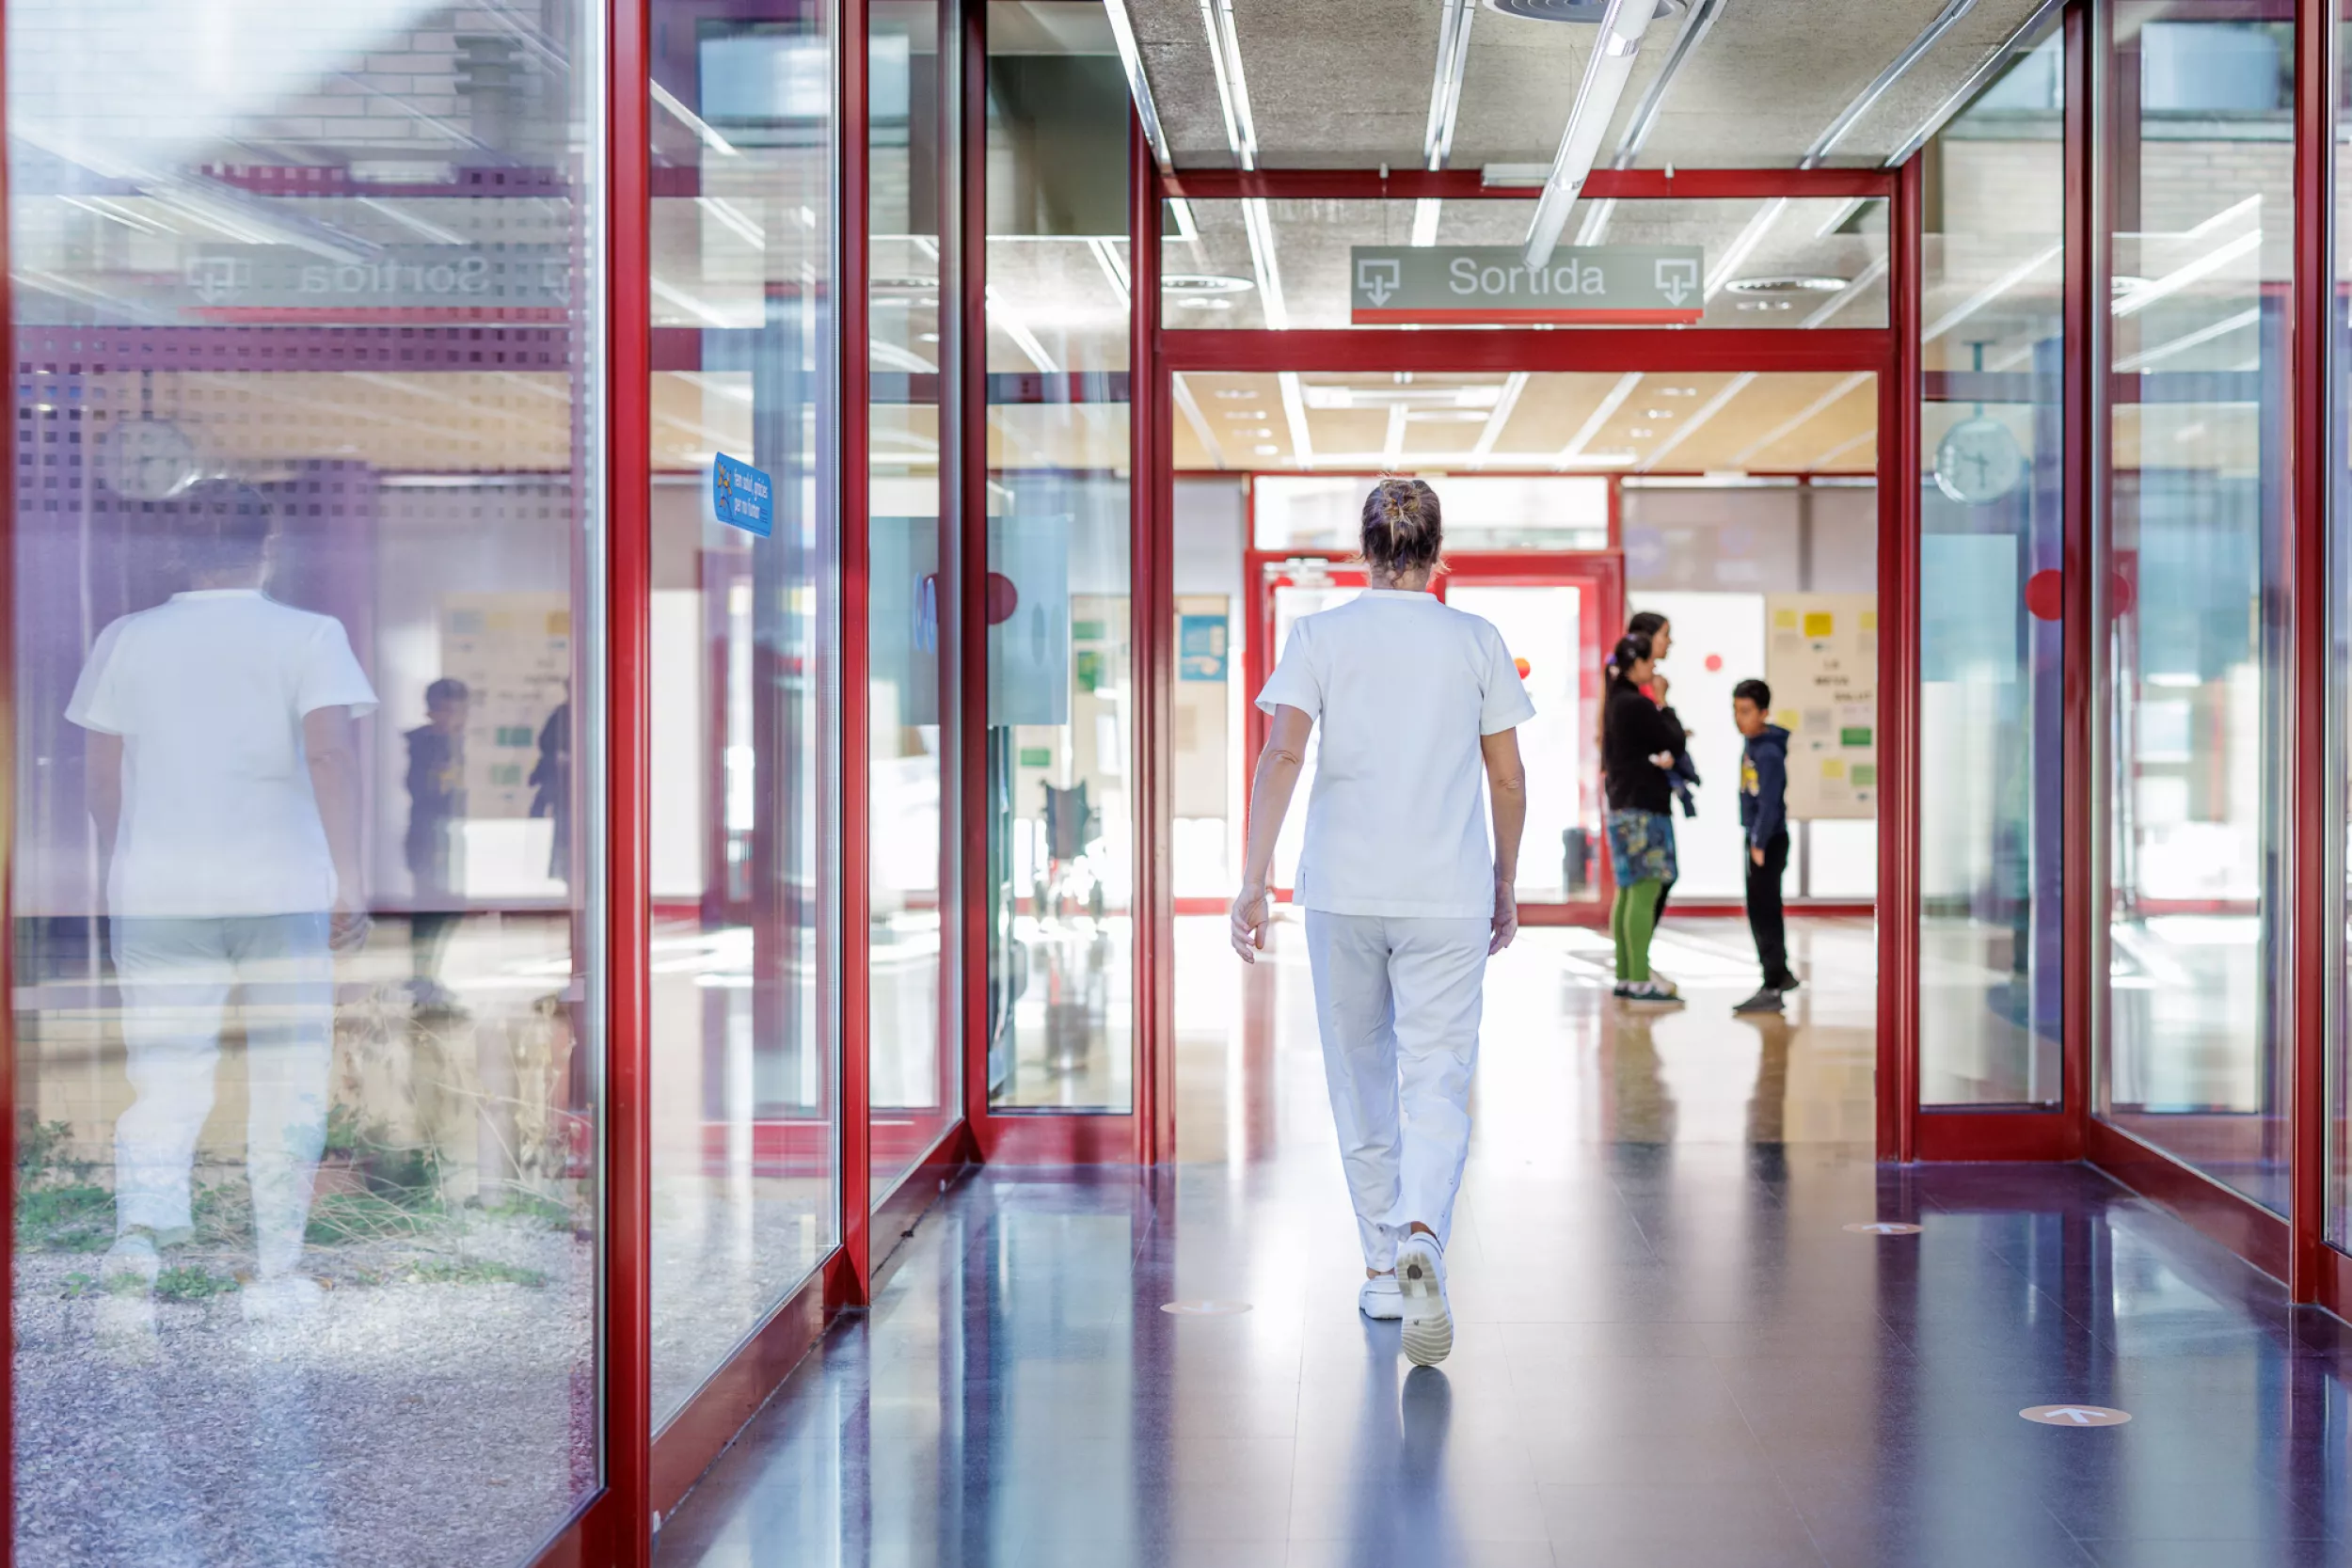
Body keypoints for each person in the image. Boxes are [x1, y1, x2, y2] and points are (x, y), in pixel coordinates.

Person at [1231, 477, 1530, 1369]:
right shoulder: (1477, 640)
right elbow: (1507, 779)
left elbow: (1282, 752)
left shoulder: (1320, 635)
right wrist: (1504, 880)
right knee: (1438, 1075)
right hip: (1446, 889)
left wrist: (1254, 879)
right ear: (1439, 557)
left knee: (1359, 1072)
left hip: (1344, 891)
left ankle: (1377, 1263)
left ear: (1364, 554)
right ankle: (1424, 1236)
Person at [69, 483, 378, 1321]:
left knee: (163, 1073)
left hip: (158, 891)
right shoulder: (310, 636)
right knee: (287, 1075)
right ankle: (276, 1268)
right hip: (277, 887)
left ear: (179, 552)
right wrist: (348, 878)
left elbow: (101, 775)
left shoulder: (125, 639)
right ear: (265, 546)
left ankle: (138, 1252)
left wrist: (131, 852)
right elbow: (331, 760)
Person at [1602, 630, 1683, 1006]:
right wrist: (1664, 702)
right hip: (1644, 810)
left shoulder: (1615, 701)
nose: (1655, 667)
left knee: (1629, 890)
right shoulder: (1635, 703)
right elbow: (1673, 740)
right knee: (1646, 888)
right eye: (1650, 661)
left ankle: (1626, 975)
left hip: (1621, 807)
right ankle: (1639, 978)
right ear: (1635, 664)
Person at [1733, 678, 1802, 1012]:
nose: (1739, 718)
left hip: (1768, 840)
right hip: (1759, 837)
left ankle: (1773, 982)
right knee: (1759, 908)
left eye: (1746, 711)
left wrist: (1758, 841)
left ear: (1763, 712)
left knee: (1764, 911)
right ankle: (1778, 973)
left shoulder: (1769, 751)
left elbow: (1771, 802)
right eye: (1736, 710)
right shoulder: (1753, 744)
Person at [405, 677, 469, 1010]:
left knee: (449, 907)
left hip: (449, 835)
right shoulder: (423, 743)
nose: (452, 717)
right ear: (431, 710)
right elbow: (426, 791)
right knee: (430, 910)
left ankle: (430, 976)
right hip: (428, 837)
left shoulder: (456, 742)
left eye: (458, 711)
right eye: (445, 709)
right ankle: (422, 978)